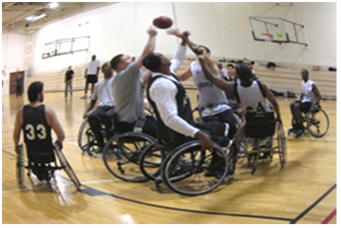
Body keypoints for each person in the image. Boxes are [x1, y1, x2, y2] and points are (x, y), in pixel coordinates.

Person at [109, 27, 187, 136]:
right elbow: (147, 53)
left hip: (137, 119)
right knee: (166, 131)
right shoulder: (124, 75)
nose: (132, 60)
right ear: (121, 66)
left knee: (164, 124)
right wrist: (153, 35)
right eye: (128, 59)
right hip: (130, 123)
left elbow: (142, 80)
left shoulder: (129, 79)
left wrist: (155, 66)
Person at [187, 38, 281, 124]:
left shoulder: (235, 87)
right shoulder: (261, 85)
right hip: (265, 116)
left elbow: (210, 77)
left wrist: (187, 41)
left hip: (250, 118)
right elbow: (274, 102)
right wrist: (279, 116)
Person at [176, 45, 237, 139]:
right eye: (197, 50)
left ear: (208, 54)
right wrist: (168, 73)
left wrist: (188, 42)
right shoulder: (193, 65)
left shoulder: (212, 64)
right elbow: (183, 77)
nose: (198, 51)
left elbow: (205, 59)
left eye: (202, 50)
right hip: (207, 110)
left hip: (222, 107)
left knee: (232, 134)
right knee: (215, 138)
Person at [13, 81, 65, 180]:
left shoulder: (20, 113)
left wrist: (16, 146)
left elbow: (16, 135)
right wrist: (59, 141)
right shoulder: (48, 111)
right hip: (47, 153)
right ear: (38, 94)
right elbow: (61, 135)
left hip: (31, 154)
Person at [83, 62, 116, 153]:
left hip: (115, 106)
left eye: (110, 65)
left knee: (108, 116)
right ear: (102, 70)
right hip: (103, 106)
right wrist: (86, 111)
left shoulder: (117, 81)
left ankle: (110, 144)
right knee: (92, 116)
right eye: (106, 66)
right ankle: (101, 144)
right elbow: (93, 101)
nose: (109, 67)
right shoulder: (99, 85)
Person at [289, 69, 321, 133]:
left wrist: (313, 106)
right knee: (292, 104)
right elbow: (304, 93)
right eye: (302, 74)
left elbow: (319, 96)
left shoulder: (311, 84)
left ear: (307, 75)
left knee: (296, 106)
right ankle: (297, 123)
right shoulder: (303, 82)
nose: (302, 75)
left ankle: (301, 126)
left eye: (304, 73)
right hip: (305, 101)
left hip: (312, 103)